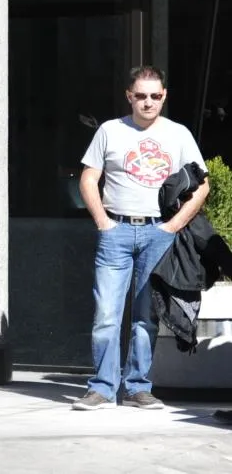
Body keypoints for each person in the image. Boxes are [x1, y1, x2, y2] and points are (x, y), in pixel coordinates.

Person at [72, 66, 208, 411]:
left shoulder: (178, 134)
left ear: (164, 95)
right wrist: (103, 221)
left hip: (157, 232)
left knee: (146, 316)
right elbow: (89, 178)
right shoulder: (110, 131)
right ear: (129, 96)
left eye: (155, 95)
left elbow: (202, 185)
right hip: (115, 231)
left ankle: (137, 387)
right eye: (141, 95)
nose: (148, 102)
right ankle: (102, 387)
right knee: (106, 314)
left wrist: (173, 225)